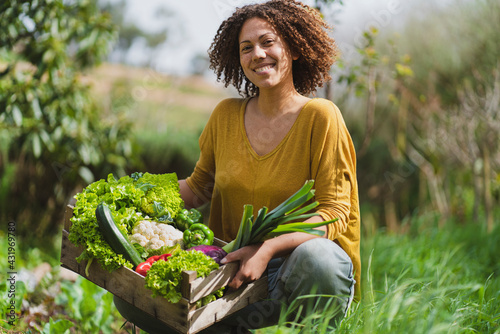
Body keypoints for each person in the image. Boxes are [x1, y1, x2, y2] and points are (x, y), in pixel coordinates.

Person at [114, 0, 360, 333]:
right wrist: (132, 195)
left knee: (321, 260)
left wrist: (268, 246)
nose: (257, 54)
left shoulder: (321, 117)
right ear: (238, 59)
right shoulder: (226, 116)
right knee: (130, 296)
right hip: (230, 271)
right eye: (247, 48)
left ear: (295, 48)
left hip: (291, 272)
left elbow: (334, 212)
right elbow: (199, 187)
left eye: (268, 42)